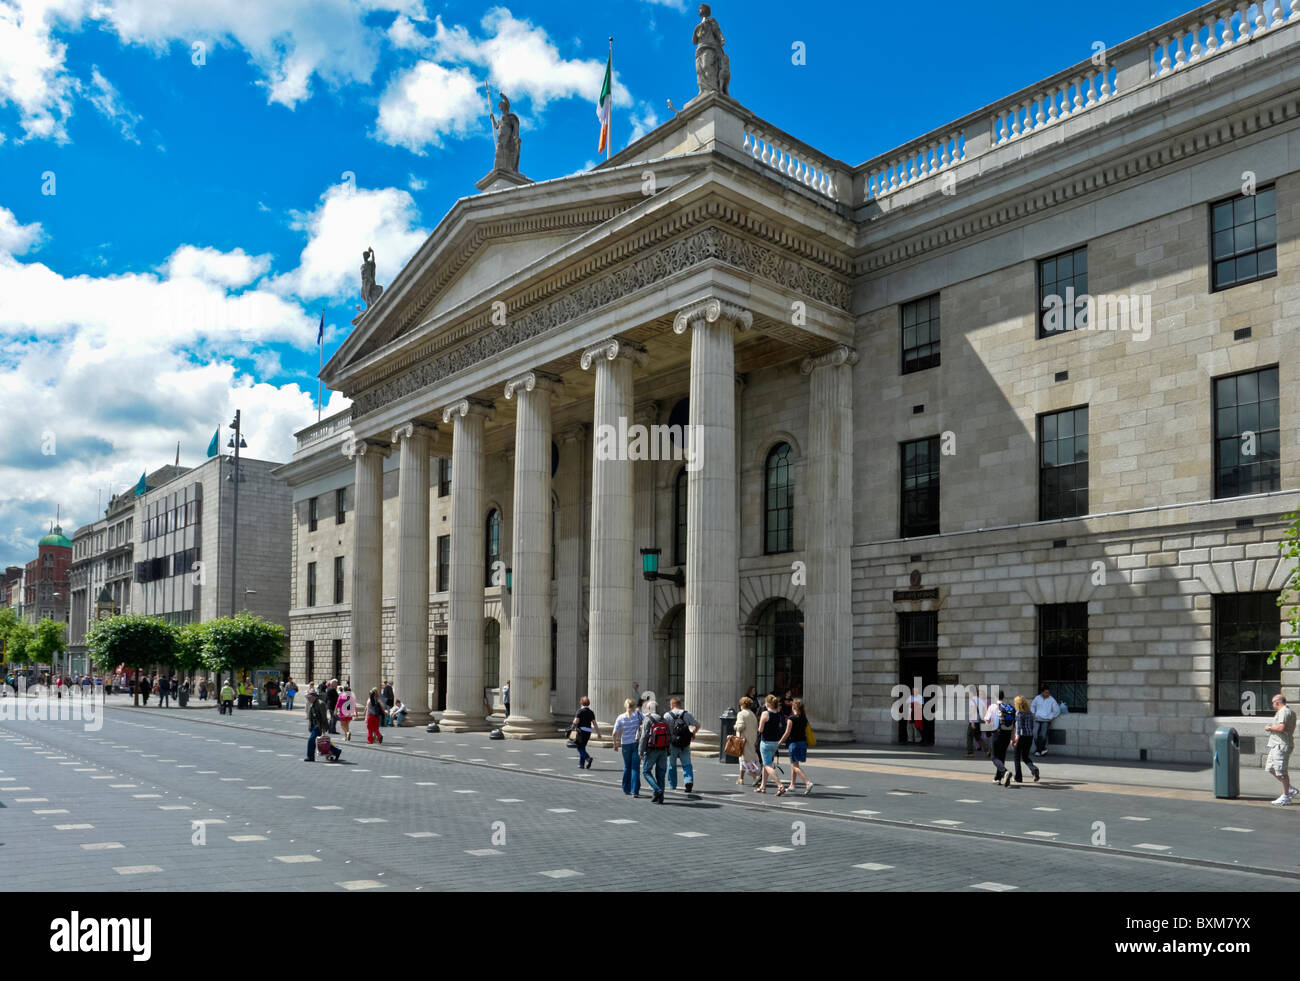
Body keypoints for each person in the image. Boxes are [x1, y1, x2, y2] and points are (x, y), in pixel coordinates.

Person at [775, 697, 815, 796]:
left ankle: (807, 783)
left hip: (794, 744)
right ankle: (792, 785)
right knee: (795, 764)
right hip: (802, 743)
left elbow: (787, 733)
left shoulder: (791, 719)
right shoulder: (804, 718)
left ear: (794, 707)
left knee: (794, 766)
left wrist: (779, 742)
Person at [1265, 693, 1297, 806]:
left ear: (1277, 702)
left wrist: (1269, 727)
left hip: (1281, 745)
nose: (1273, 705)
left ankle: (1286, 796)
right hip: (1275, 745)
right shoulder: (1288, 712)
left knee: (1281, 771)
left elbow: (1281, 727)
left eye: (1273, 703)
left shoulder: (1284, 711)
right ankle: (1289, 789)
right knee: (1270, 768)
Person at [664, 696, 700, 794]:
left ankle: (672, 785)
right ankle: (688, 781)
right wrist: (694, 733)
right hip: (685, 744)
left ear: (672, 705)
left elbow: (664, 729)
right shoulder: (687, 714)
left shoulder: (667, 715)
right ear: (680, 705)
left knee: (671, 765)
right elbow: (697, 724)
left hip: (672, 744)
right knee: (687, 764)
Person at [638, 699, 670, 804]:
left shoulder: (648, 719)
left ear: (648, 708)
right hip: (663, 750)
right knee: (661, 773)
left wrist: (641, 751)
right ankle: (660, 798)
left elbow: (644, 737)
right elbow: (669, 735)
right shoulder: (663, 719)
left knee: (646, 771)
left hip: (651, 749)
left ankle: (657, 790)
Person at [611, 698, 643, 797]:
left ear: (625, 706)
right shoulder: (639, 715)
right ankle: (635, 791)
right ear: (634, 706)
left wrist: (615, 744)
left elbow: (614, 733)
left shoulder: (621, 717)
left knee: (627, 766)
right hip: (636, 744)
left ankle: (626, 788)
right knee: (635, 768)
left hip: (625, 744)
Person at [756, 694, 785, 793]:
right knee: (766, 764)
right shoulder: (778, 713)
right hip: (775, 742)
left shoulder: (765, 713)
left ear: (767, 703)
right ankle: (762, 786)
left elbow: (760, 729)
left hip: (766, 742)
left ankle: (780, 786)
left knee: (767, 765)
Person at [985, 691, 1015, 786]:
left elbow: (987, 720)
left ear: (995, 697)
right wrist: (1012, 737)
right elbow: (1013, 724)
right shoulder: (1008, 707)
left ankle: (1005, 772)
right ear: (1003, 696)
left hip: (997, 734)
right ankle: (997, 778)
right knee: (1001, 756)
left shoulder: (992, 707)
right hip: (1007, 734)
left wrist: (988, 732)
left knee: (994, 757)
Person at [1010, 695, 1041, 784]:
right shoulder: (1030, 712)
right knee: (1025, 756)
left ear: (1017, 704)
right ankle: (1034, 770)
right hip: (1029, 736)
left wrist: (1016, 739)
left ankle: (1018, 777)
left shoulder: (1019, 713)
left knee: (1016, 757)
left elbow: (1019, 728)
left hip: (1021, 737)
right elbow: (1032, 725)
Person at [304, 690, 340, 762]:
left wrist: (323, 727)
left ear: (314, 697)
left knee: (311, 740)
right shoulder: (312, 704)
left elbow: (324, 717)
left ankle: (310, 757)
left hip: (319, 725)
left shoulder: (320, 703)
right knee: (321, 741)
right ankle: (336, 751)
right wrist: (310, 726)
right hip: (315, 725)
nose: (308, 699)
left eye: (309, 697)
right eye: (307, 698)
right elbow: (311, 717)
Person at [734, 696, 762, 786]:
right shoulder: (752, 714)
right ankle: (740, 778)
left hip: (743, 740)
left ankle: (755, 776)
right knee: (745, 758)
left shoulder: (741, 714)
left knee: (744, 759)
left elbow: (741, 726)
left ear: (742, 705)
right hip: (752, 739)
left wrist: (735, 727)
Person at [1030, 686, 1060, 756]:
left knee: (1043, 735)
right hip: (1037, 719)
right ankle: (1042, 749)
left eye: (1048, 693)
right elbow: (1032, 706)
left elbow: (1057, 710)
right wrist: (1033, 714)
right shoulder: (1037, 698)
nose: (1047, 694)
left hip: (1046, 720)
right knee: (1035, 734)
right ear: (1042, 692)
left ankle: (1038, 750)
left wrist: (1051, 717)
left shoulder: (1051, 699)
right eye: (1046, 692)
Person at [571, 696, 599, 770]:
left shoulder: (580, 711)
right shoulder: (591, 712)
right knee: (583, 746)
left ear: (581, 703)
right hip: (588, 732)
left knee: (579, 747)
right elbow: (594, 723)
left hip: (581, 731)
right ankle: (581, 764)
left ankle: (588, 758)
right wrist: (598, 733)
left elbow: (575, 721)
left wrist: (572, 727)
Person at [966, 688, 990, 758]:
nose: (969, 694)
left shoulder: (972, 700)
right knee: (978, 737)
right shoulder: (980, 700)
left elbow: (973, 711)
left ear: (972, 693)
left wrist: (972, 722)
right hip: (979, 721)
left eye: (969, 693)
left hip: (973, 721)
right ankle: (987, 749)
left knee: (969, 736)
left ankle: (970, 752)